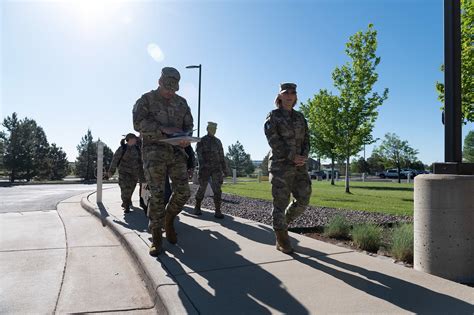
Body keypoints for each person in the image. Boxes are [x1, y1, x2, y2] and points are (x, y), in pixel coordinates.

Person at [133, 67, 193, 256]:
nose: (170, 92)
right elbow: (138, 124)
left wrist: (185, 138)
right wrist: (163, 130)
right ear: (159, 82)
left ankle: (169, 219)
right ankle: (157, 235)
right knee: (157, 195)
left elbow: (188, 126)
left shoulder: (182, 103)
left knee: (184, 192)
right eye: (167, 87)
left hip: (176, 151)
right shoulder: (146, 100)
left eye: (174, 89)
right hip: (153, 152)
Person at [264, 83, 311, 254]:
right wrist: (292, 156)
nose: (290, 95)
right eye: (286, 93)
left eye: (293, 92)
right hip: (280, 166)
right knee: (280, 203)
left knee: (304, 199)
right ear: (280, 96)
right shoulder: (273, 116)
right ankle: (282, 238)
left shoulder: (300, 117)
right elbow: (273, 141)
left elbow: (307, 140)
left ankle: (283, 222)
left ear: (296, 97)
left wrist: (303, 157)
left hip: (299, 166)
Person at [194, 121, 226, 219]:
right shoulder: (202, 141)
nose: (213, 131)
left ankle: (217, 211)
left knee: (217, 190)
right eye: (211, 129)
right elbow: (199, 155)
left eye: (215, 129)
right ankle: (197, 207)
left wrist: (224, 168)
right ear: (207, 129)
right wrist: (202, 165)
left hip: (216, 169)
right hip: (205, 169)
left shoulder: (218, 141)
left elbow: (221, 156)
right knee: (202, 188)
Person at [107, 133, 145, 213]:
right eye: (134, 138)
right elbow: (115, 160)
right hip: (124, 172)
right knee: (124, 189)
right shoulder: (122, 148)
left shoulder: (138, 148)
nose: (135, 140)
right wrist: (111, 172)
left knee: (131, 189)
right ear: (130, 139)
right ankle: (126, 204)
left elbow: (141, 161)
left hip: (134, 173)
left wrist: (142, 174)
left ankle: (127, 201)